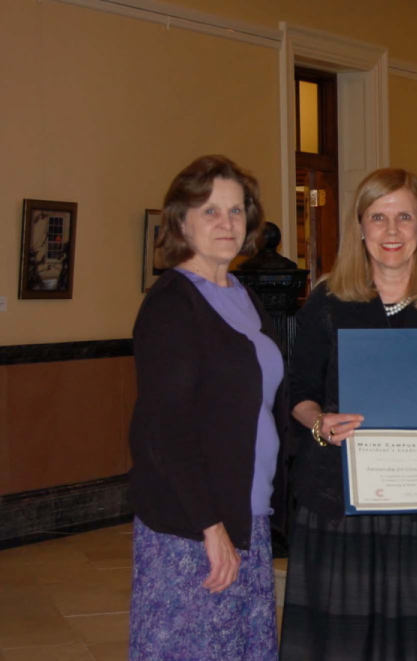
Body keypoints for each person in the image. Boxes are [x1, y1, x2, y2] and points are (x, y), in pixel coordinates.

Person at [279, 168, 417, 660]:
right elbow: (299, 391)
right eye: (378, 217)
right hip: (342, 500)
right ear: (359, 227)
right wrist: (320, 423)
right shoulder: (327, 300)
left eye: (404, 216)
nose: (392, 230)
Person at [128, 155, 284, 660]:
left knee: (242, 647)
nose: (227, 223)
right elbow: (165, 429)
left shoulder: (239, 292)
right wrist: (209, 527)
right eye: (211, 210)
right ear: (181, 220)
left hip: (248, 512)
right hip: (193, 526)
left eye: (236, 211)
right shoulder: (173, 303)